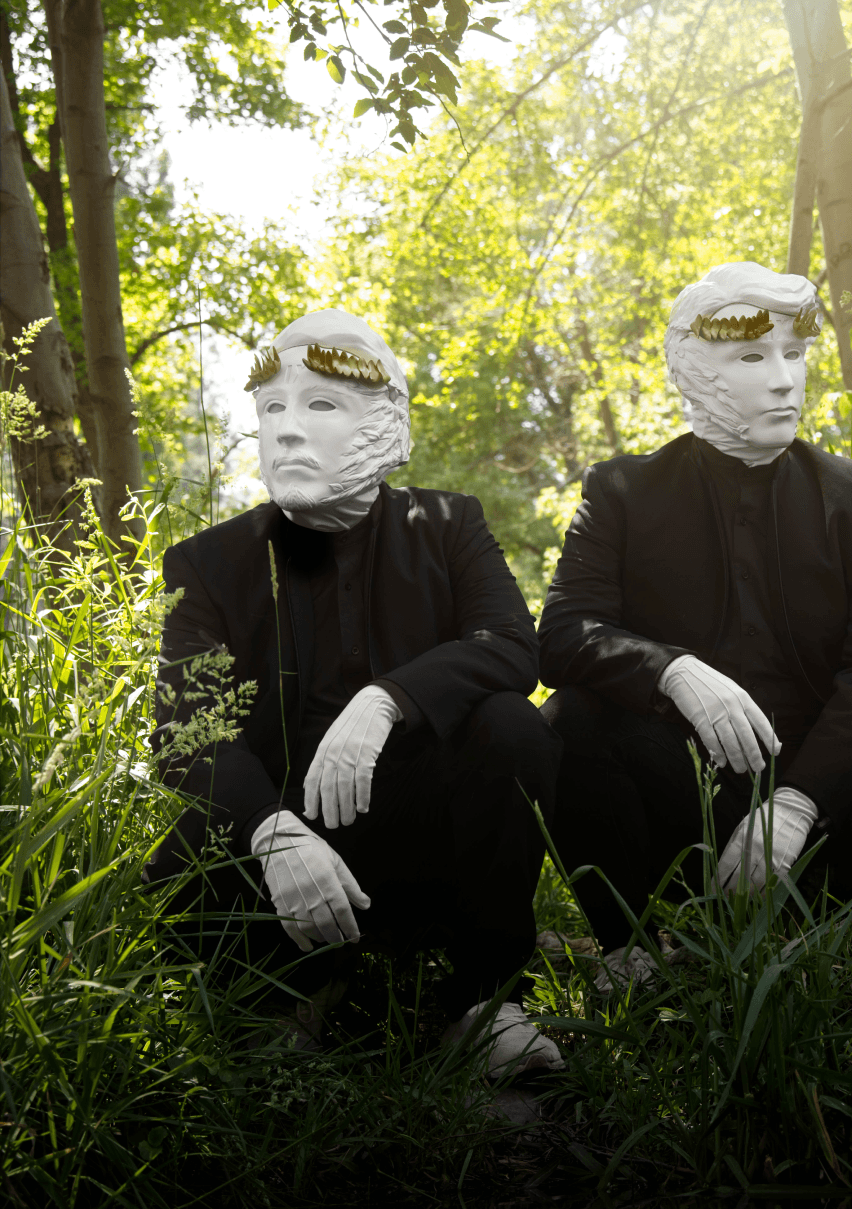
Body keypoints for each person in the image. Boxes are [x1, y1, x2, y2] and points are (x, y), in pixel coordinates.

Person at [537, 262, 852, 985]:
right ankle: (634, 947)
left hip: (820, 766)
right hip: (674, 775)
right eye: (752, 356)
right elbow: (561, 633)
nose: (784, 379)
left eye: (795, 353)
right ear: (690, 370)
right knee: (566, 723)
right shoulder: (619, 490)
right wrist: (672, 671)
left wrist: (796, 801)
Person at [146, 308, 563, 1073]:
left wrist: (384, 700)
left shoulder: (448, 523)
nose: (287, 430)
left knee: (513, 727)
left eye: (321, 405)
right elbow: (184, 731)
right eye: (272, 408)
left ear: (389, 421)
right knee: (195, 847)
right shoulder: (206, 561)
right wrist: (272, 831)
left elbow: (509, 646)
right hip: (275, 834)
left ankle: (482, 1001)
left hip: (419, 821)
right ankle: (286, 993)